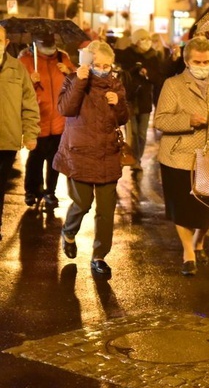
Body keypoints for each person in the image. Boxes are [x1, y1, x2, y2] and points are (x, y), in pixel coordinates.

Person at [154, 37, 209, 276]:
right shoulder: (173, 84)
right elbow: (160, 120)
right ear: (187, 62)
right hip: (178, 156)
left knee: (208, 209)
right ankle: (188, 251)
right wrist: (187, 120)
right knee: (183, 208)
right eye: (197, 61)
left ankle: (199, 241)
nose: (202, 65)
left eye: (206, 61)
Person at [53, 41, 128, 277]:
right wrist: (79, 80)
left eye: (107, 65)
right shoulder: (74, 80)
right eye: (98, 64)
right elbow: (65, 108)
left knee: (106, 211)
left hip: (107, 155)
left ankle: (99, 256)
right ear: (88, 62)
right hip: (80, 154)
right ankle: (69, 231)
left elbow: (123, 117)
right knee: (82, 204)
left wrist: (119, 104)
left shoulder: (116, 85)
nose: (102, 69)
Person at [18, 32, 74, 208]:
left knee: (55, 160)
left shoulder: (62, 57)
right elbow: (18, 90)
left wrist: (69, 72)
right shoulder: (26, 60)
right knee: (35, 158)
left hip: (59, 119)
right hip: (37, 119)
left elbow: (76, 84)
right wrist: (30, 80)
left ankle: (50, 191)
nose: (50, 50)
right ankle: (32, 190)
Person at [0, 26, 40, 241]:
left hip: (7, 141)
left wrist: (30, 133)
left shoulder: (17, 69)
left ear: (6, 43)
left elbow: (29, 104)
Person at [115, 28, 164, 171]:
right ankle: (132, 158)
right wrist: (134, 69)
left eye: (148, 39)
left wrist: (147, 74)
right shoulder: (127, 54)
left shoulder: (153, 57)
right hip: (129, 99)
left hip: (144, 101)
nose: (146, 42)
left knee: (142, 133)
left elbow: (157, 78)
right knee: (133, 132)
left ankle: (138, 158)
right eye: (143, 39)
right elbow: (116, 59)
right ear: (136, 41)